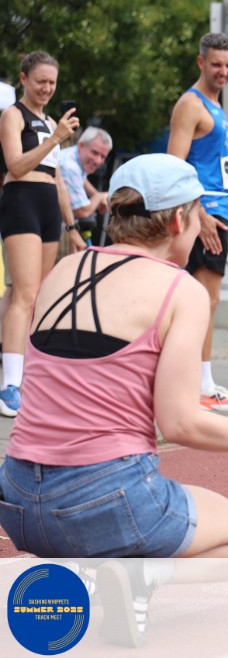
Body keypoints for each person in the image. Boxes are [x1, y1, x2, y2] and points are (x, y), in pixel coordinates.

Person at [0, 154, 228, 643]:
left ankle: (90, 569)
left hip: (15, 500)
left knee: (96, 511)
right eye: (200, 213)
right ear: (179, 219)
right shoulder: (181, 291)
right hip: (105, 497)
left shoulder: (63, 269)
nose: (204, 224)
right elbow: (180, 423)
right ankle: (140, 576)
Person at [167, 33, 228, 412]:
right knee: (202, 300)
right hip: (202, 215)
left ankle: (195, 382)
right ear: (201, 62)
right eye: (217, 64)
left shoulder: (217, 107)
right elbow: (175, 165)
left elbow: (207, 161)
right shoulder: (191, 104)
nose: (224, 71)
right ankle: (199, 385)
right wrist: (199, 213)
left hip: (220, 210)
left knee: (205, 300)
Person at [0, 51, 87, 417]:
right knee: (24, 292)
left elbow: (59, 181)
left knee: (31, 295)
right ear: (24, 79)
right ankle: (11, 385)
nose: (47, 88)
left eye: (52, 82)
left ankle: (19, 369)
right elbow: (16, 165)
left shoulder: (53, 122)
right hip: (22, 200)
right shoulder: (13, 115)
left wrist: (72, 227)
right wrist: (54, 139)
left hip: (49, 206)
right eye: (40, 81)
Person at [59, 126, 113, 242]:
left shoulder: (74, 157)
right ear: (81, 145)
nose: (98, 161)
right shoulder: (70, 167)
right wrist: (99, 197)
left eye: (103, 156)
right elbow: (82, 211)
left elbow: (81, 180)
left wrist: (96, 195)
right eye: (94, 152)